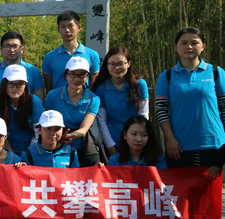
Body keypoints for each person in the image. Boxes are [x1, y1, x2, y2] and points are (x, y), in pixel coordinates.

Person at [155, 27, 225, 179]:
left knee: (210, 193)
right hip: (179, 147)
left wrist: (222, 152)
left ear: (203, 46)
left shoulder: (216, 73)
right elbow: (161, 110)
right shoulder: (166, 76)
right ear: (176, 47)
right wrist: (170, 140)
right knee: (179, 193)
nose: (189, 47)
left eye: (194, 43)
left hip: (214, 145)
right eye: (184, 43)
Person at [44, 57, 101, 167]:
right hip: (56, 142)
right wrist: (59, 137)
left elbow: (84, 130)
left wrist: (66, 136)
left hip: (82, 144)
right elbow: (48, 124)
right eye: (73, 74)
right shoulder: (52, 96)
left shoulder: (94, 99)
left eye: (82, 74)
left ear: (87, 76)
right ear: (66, 75)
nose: (77, 79)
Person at [92, 47, 149, 156]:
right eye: (112, 64)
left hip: (136, 142)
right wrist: (111, 147)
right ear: (107, 65)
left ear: (128, 64)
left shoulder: (140, 85)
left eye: (121, 63)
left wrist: (139, 140)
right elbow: (102, 122)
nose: (117, 67)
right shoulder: (101, 89)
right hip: (112, 142)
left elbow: (143, 116)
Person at [42, 11, 100, 92]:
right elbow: (48, 89)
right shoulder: (49, 57)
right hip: (58, 99)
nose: (67, 30)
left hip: (83, 99)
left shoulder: (92, 55)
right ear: (58, 29)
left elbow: (93, 88)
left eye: (70, 26)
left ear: (79, 27)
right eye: (63, 26)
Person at [0, 65, 44, 155]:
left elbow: (38, 132)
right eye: (10, 83)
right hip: (4, 150)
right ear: (4, 84)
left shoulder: (34, 102)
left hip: (31, 150)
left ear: (25, 85)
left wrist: (28, 154)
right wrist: (11, 156)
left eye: (19, 84)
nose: (15, 88)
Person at [0, 32, 45, 102]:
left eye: (15, 46)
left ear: (22, 49)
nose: (11, 50)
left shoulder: (33, 71)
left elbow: (40, 99)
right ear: (1, 49)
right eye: (7, 46)